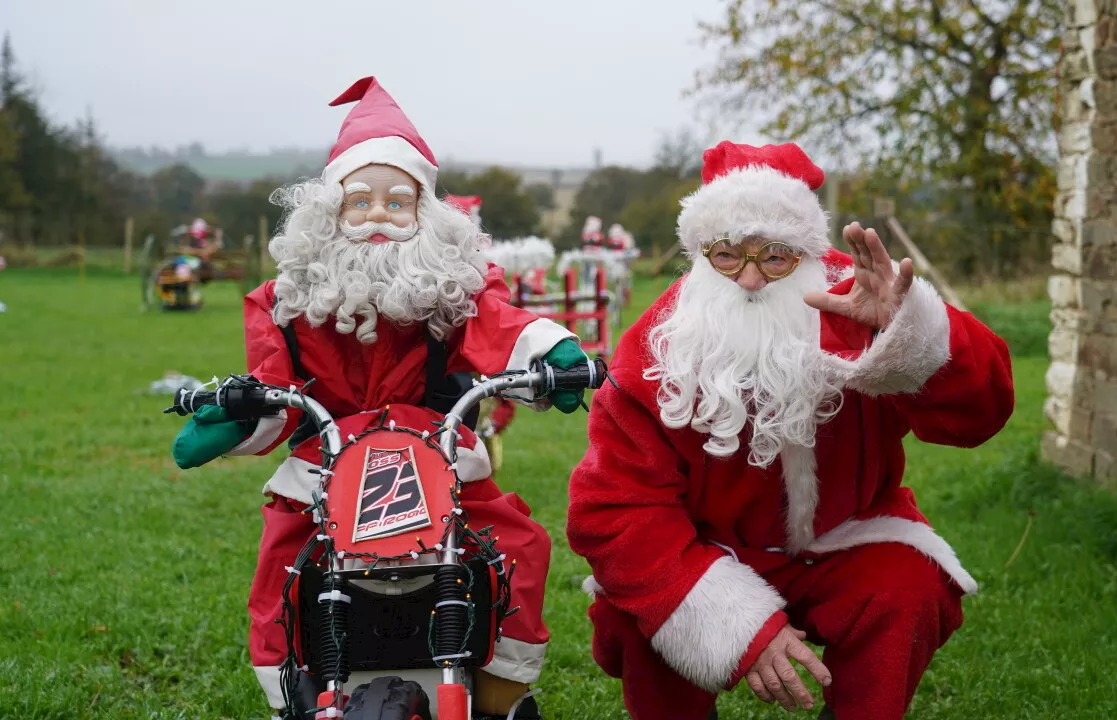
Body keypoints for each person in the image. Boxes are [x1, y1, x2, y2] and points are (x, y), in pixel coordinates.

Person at [169, 76, 587, 720]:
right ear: (329, 212)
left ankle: (502, 695)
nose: (377, 217)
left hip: (438, 454)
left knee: (517, 543)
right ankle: (296, 695)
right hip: (326, 462)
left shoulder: (455, 288)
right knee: (284, 561)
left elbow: (495, 323)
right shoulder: (288, 301)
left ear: (426, 212)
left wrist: (548, 355)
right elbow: (276, 386)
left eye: (399, 202)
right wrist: (235, 418)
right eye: (358, 201)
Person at [566, 141, 1015, 720]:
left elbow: (984, 414)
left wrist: (908, 331)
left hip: (841, 540)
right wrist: (733, 624)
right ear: (701, 252)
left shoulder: (856, 303)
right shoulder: (656, 345)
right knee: (639, 606)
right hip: (707, 548)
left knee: (910, 584)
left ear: (806, 252)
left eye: (775, 257)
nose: (750, 279)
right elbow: (615, 510)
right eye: (726, 255)